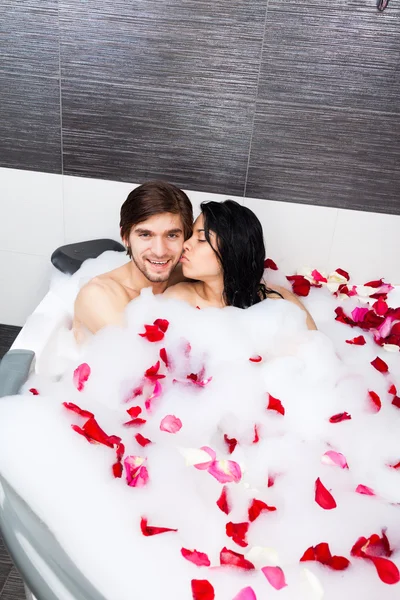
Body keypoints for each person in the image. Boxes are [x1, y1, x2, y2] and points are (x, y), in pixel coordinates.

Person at [164, 200, 317, 330]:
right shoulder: (178, 301)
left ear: (232, 251)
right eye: (190, 236)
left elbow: (314, 351)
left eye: (202, 238)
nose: (185, 244)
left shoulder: (276, 302)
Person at [73, 181, 193, 343]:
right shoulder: (97, 295)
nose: (159, 251)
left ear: (186, 238)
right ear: (125, 237)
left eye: (172, 235)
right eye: (145, 235)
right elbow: (140, 360)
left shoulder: (186, 275)